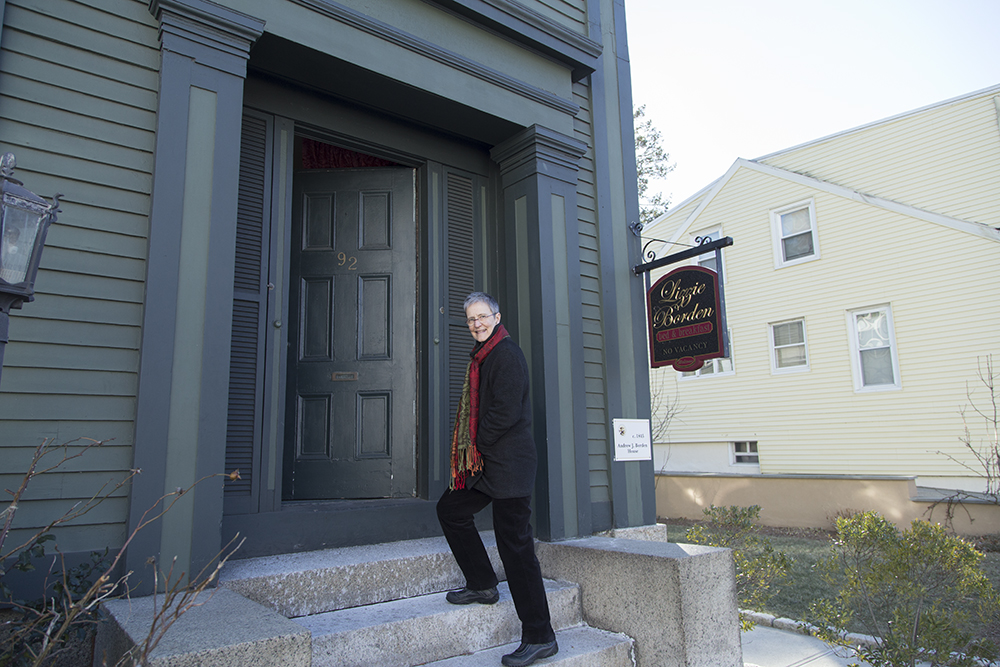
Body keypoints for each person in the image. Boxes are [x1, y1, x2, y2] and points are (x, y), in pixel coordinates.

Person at [436, 292, 558, 667]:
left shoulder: (506, 355)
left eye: (483, 316)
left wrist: (477, 445)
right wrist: (479, 453)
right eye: (471, 319)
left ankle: (540, 636)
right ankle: (482, 584)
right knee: (451, 509)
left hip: (509, 466)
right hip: (488, 464)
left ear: (497, 317)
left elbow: (505, 412)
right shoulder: (482, 357)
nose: (477, 324)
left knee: (516, 548)